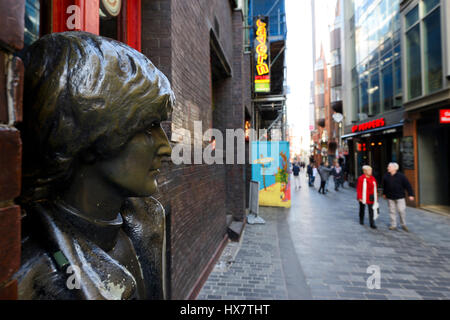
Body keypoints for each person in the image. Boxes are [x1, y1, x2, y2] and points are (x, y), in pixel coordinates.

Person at [15, 32, 174, 299]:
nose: (167, 149)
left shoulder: (147, 223)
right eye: (148, 127)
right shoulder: (29, 283)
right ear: (88, 134)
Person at [382, 162, 415, 232]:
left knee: (401, 210)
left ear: (394, 168)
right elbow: (384, 186)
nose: (388, 168)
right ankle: (393, 225)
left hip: (400, 196)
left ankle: (403, 224)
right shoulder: (386, 176)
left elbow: (408, 185)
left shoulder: (401, 176)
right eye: (388, 167)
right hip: (390, 197)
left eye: (389, 167)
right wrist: (384, 193)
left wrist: (411, 194)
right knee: (392, 211)